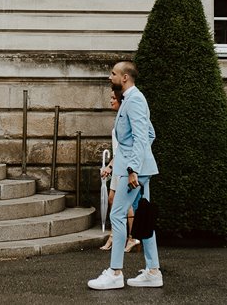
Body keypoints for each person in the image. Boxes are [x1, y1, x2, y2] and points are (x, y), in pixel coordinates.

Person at [87, 61, 162, 290]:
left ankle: (115, 272)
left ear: (125, 77)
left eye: (113, 74)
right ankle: (153, 271)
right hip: (138, 168)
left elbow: (142, 137)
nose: (110, 77)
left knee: (118, 215)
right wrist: (127, 163)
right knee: (142, 217)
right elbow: (150, 134)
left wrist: (133, 169)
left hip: (136, 172)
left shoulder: (135, 99)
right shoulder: (131, 99)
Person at [99, 87, 139, 253]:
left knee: (123, 202)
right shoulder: (120, 120)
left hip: (125, 167)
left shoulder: (126, 119)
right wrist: (110, 166)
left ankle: (129, 238)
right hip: (119, 166)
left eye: (113, 98)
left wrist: (114, 166)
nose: (110, 101)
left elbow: (127, 148)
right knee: (112, 199)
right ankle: (118, 236)